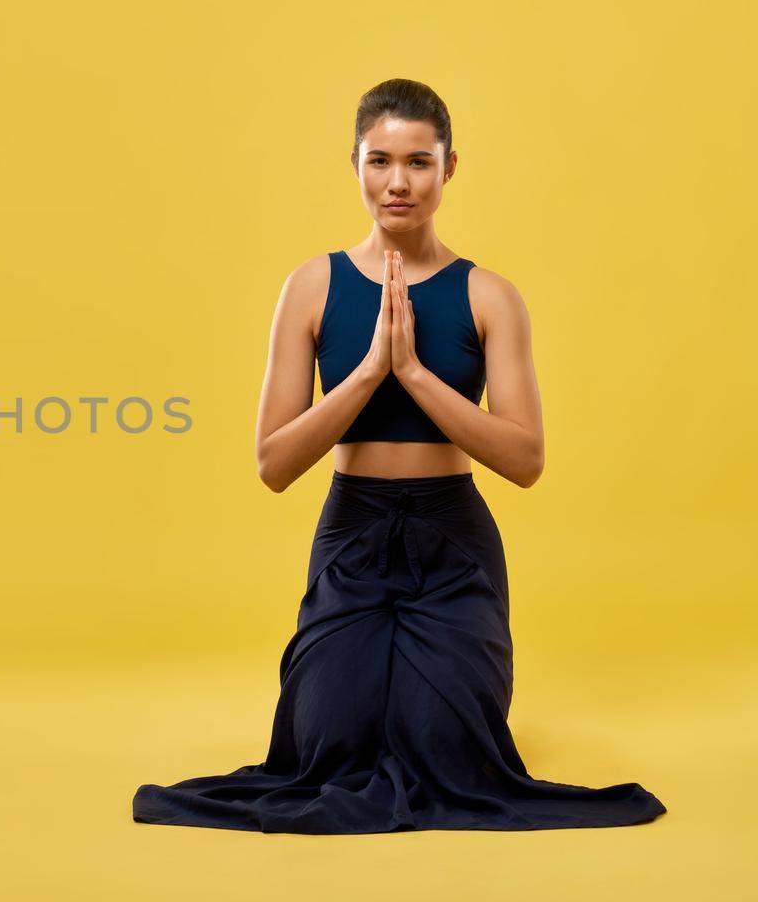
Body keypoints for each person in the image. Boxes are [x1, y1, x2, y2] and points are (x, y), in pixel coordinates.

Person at [130, 78, 668, 834]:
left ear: (450, 169)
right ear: (353, 164)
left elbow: (526, 457)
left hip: (453, 545)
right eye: (379, 160)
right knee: (326, 749)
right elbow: (275, 463)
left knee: (450, 757)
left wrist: (414, 372)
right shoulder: (311, 286)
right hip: (353, 534)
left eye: (419, 161)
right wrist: (369, 369)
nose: (398, 181)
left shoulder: (490, 295)